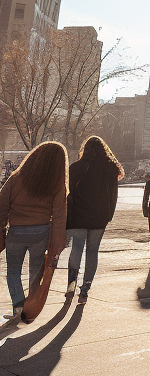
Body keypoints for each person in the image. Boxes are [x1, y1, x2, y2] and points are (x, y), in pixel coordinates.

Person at [0, 141, 68, 322]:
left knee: (13, 272)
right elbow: (60, 214)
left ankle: (18, 307)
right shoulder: (56, 183)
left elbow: (2, 205)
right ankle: (30, 309)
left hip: (16, 232)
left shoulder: (16, 178)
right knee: (35, 273)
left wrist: (1, 228)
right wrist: (59, 241)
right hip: (41, 233)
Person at [65, 135, 123, 304]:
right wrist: (108, 216)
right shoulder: (111, 168)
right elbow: (113, 196)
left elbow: (68, 195)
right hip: (99, 217)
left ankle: (71, 285)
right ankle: (85, 291)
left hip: (77, 217)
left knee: (76, 249)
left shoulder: (75, 168)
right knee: (92, 252)